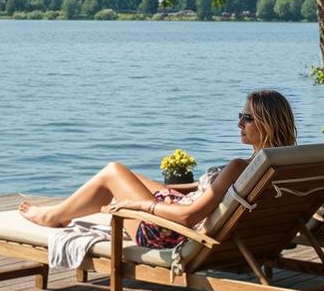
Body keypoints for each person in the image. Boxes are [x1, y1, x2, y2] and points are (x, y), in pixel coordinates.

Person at [18, 90, 299, 249]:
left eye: (247, 118)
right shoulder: (286, 164)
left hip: (169, 231)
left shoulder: (241, 166)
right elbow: (211, 198)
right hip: (196, 214)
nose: (239, 124)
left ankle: (51, 216)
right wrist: (171, 192)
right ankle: (62, 211)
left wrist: (139, 205)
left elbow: (188, 217)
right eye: (240, 116)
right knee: (128, 176)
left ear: (268, 124)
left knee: (113, 171)